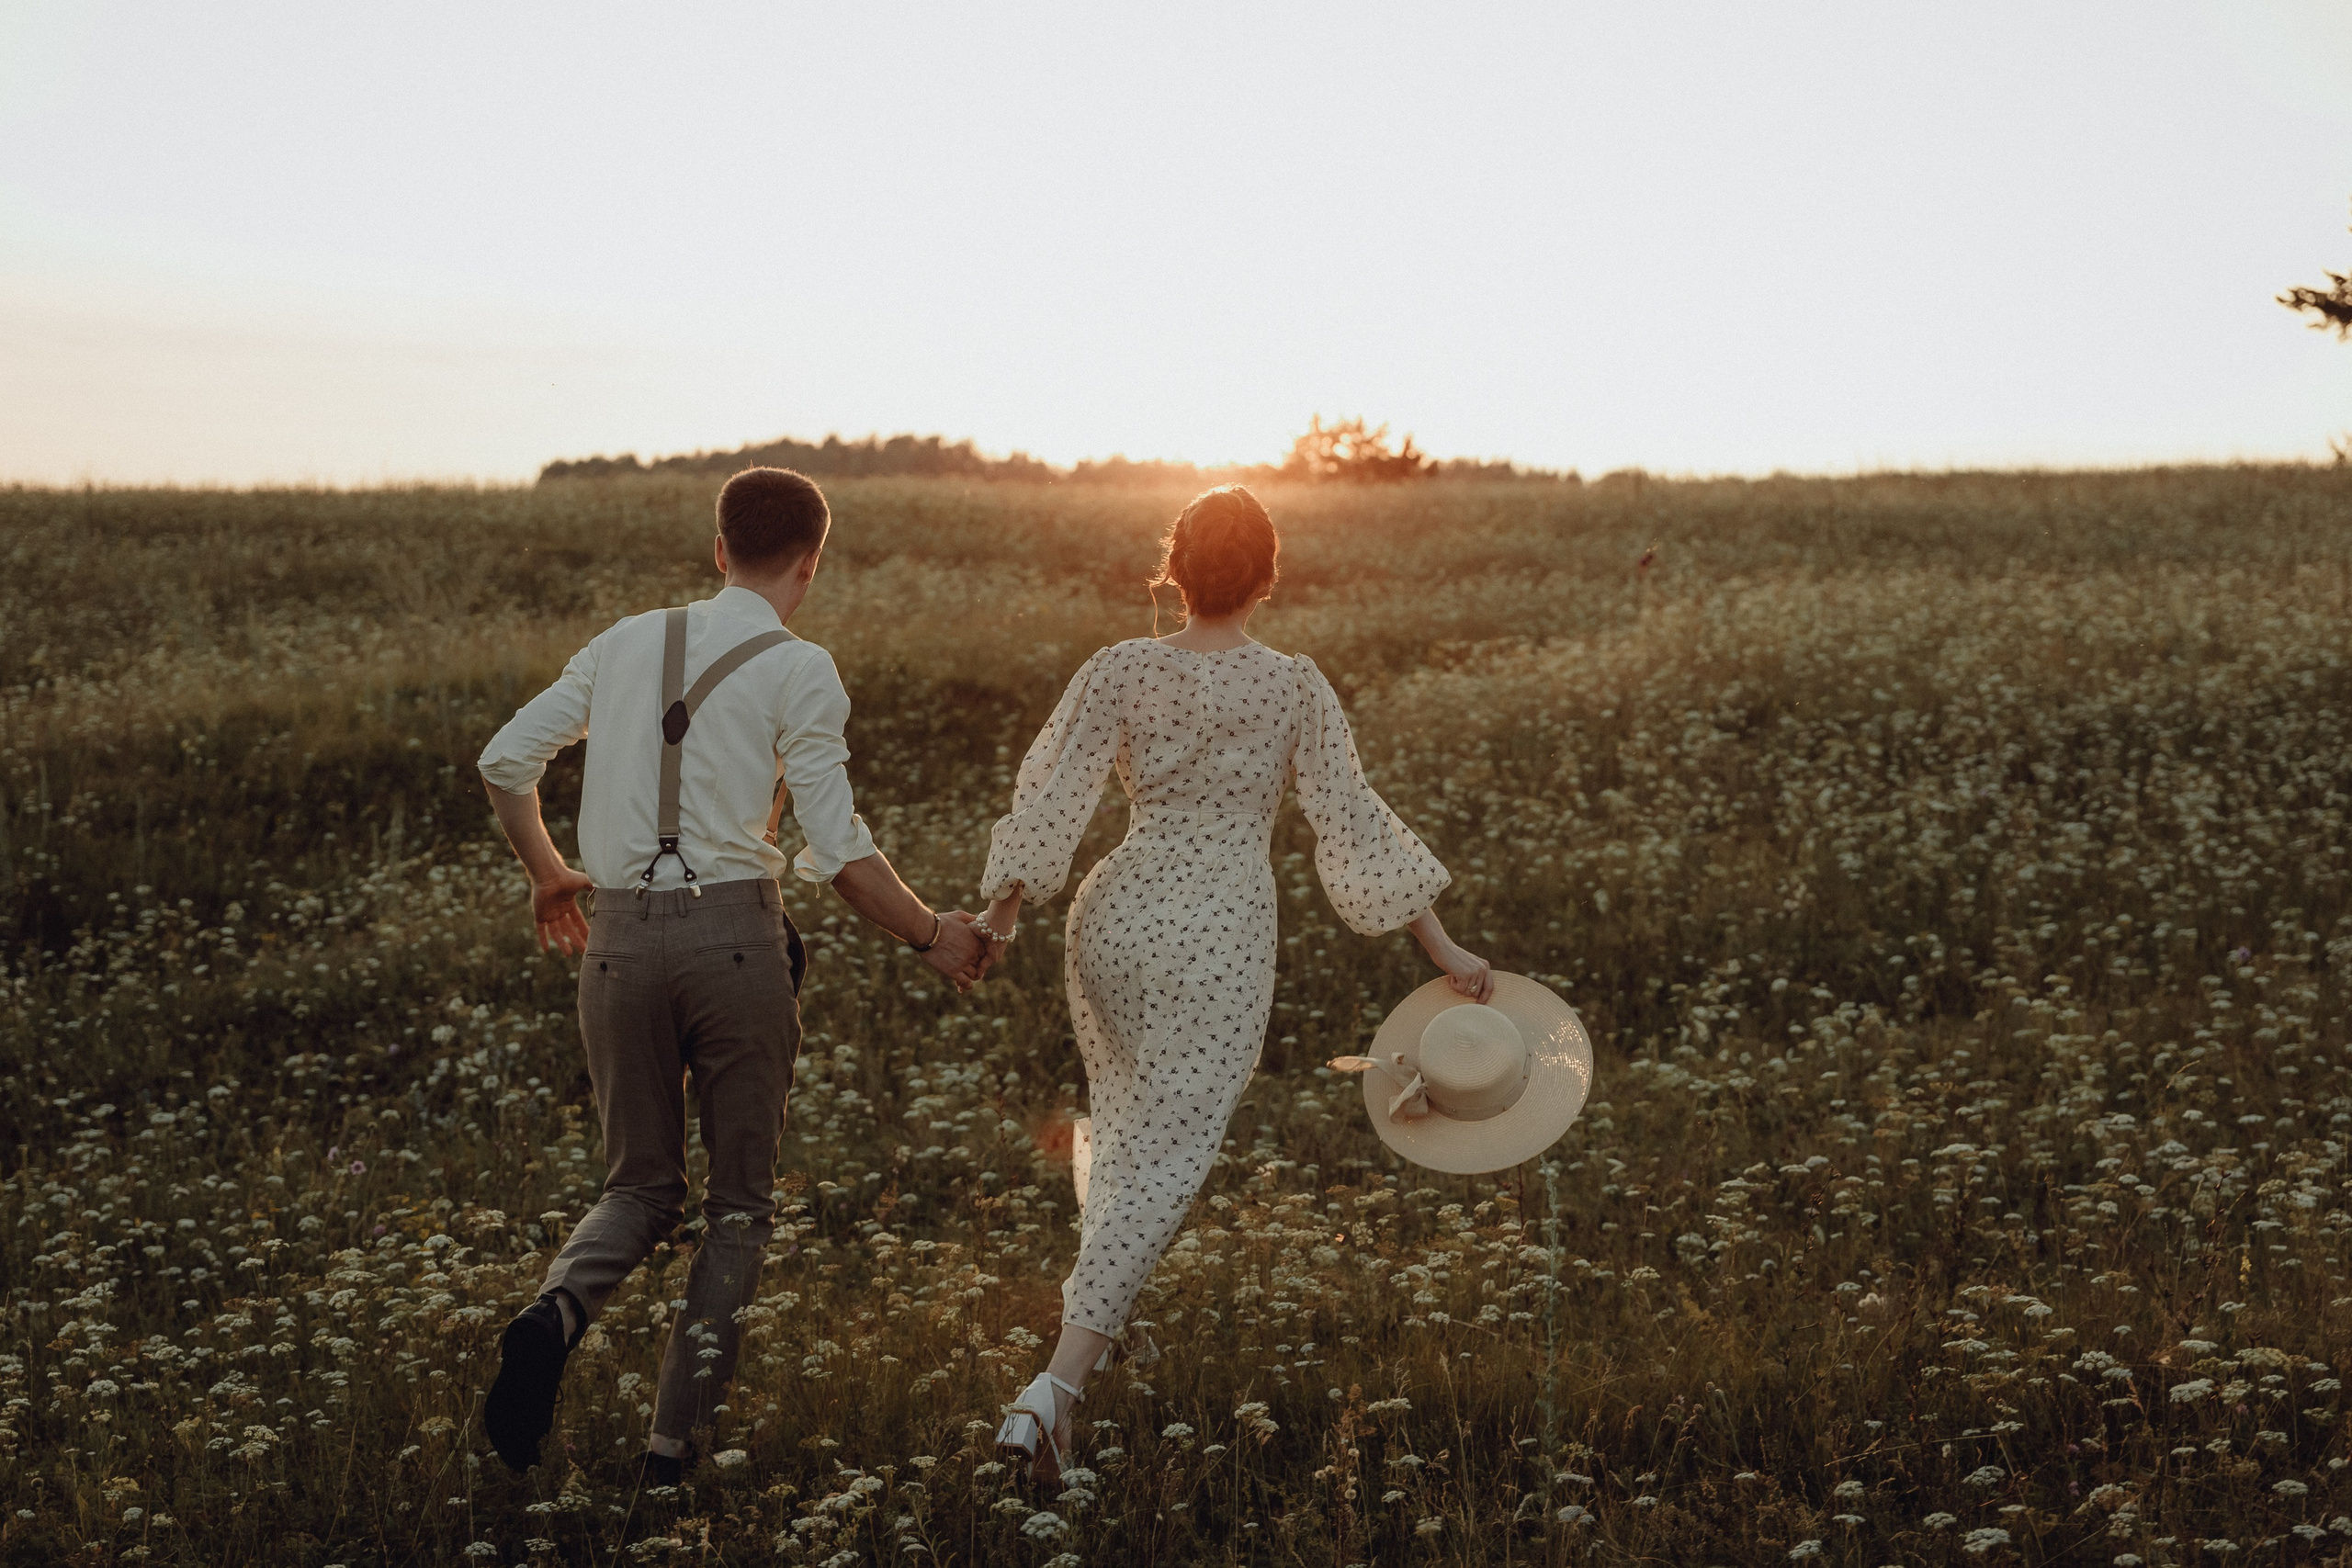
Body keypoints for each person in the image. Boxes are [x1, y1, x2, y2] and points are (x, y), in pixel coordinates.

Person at [474, 467, 987, 1484]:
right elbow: (837, 853)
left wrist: (547, 875)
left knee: (637, 1186)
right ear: (811, 563)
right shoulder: (802, 668)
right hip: (737, 946)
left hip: (617, 943)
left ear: (718, 551)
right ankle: (670, 1454)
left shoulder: (624, 643)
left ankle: (555, 1314)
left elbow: (503, 760)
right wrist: (932, 933)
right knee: (737, 1209)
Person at [971, 485, 1492, 1483]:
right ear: (1265, 577)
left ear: (1175, 568)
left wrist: (1000, 917)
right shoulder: (1293, 684)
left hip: (1115, 914)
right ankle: (1056, 1388)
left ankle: (1096, 1359)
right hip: (1218, 926)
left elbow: (1054, 791)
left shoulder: (1119, 667)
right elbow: (1353, 819)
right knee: (1167, 1149)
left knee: (1126, 1129)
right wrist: (1441, 947)